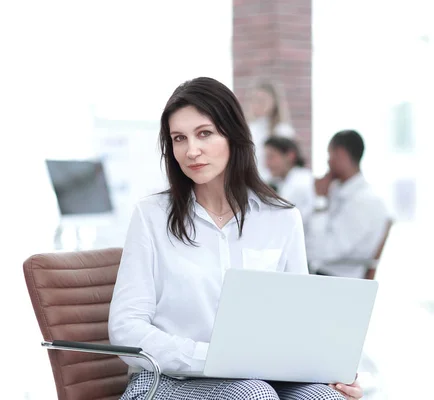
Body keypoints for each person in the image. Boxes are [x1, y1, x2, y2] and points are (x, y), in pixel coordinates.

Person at [108, 77, 362, 400]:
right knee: (252, 395)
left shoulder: (282, 219)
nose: (191, 150)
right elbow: (126, 328)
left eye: (204, 134)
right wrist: (212, 358)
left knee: (326, 398)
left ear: (234, 136)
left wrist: (332, 373)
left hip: (261, 376)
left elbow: (299, 326)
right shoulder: (151, 216)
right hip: (168, 380)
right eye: (179, 138)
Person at [306, 130, 390, 279]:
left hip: (338, 281)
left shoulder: (364, 201)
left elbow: (321, 251)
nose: (328, 162)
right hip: (324, 275)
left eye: (329, 154)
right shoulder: (337, 190)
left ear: (341, 154)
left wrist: (320, 201)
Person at [245, 80, 295, 179]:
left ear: (274, 102)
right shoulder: (248, 130)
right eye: (255, 100)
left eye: (263, 100)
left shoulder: (283, 131)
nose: (258, 104)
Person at [264, 137, 315, 226]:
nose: (267, 164)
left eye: (271, 157)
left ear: (290, 156)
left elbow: (281, 222)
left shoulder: (300, 183)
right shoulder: (283, 182)